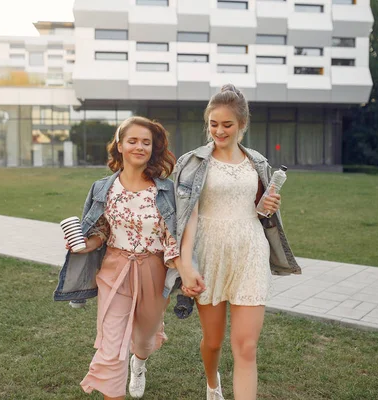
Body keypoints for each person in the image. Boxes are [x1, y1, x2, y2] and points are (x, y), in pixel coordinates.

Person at [170, 84, 301, 400]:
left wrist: (267, 207)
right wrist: (184, 265)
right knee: (213, 341)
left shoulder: (258, 162)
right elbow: (186, 218)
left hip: (251, 252)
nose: (218, 130)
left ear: (242, 125)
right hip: (210, 252)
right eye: (213, 123)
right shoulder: (193, 163)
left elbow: (258, 210)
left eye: (227, 124)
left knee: (246, 346)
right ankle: (213, 382)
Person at [54, 116, 179, 399]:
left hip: (154, 271)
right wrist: (85, 245)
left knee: (144, 340)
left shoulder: (167, 190)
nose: (140, 147)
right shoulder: (103, 188)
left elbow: (174, 235)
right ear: (119, 146)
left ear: (152, 148)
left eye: (146, 142)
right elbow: (101, 231)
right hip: (114, 270)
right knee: (111, 347)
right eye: (132, 141)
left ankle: (140, 363)